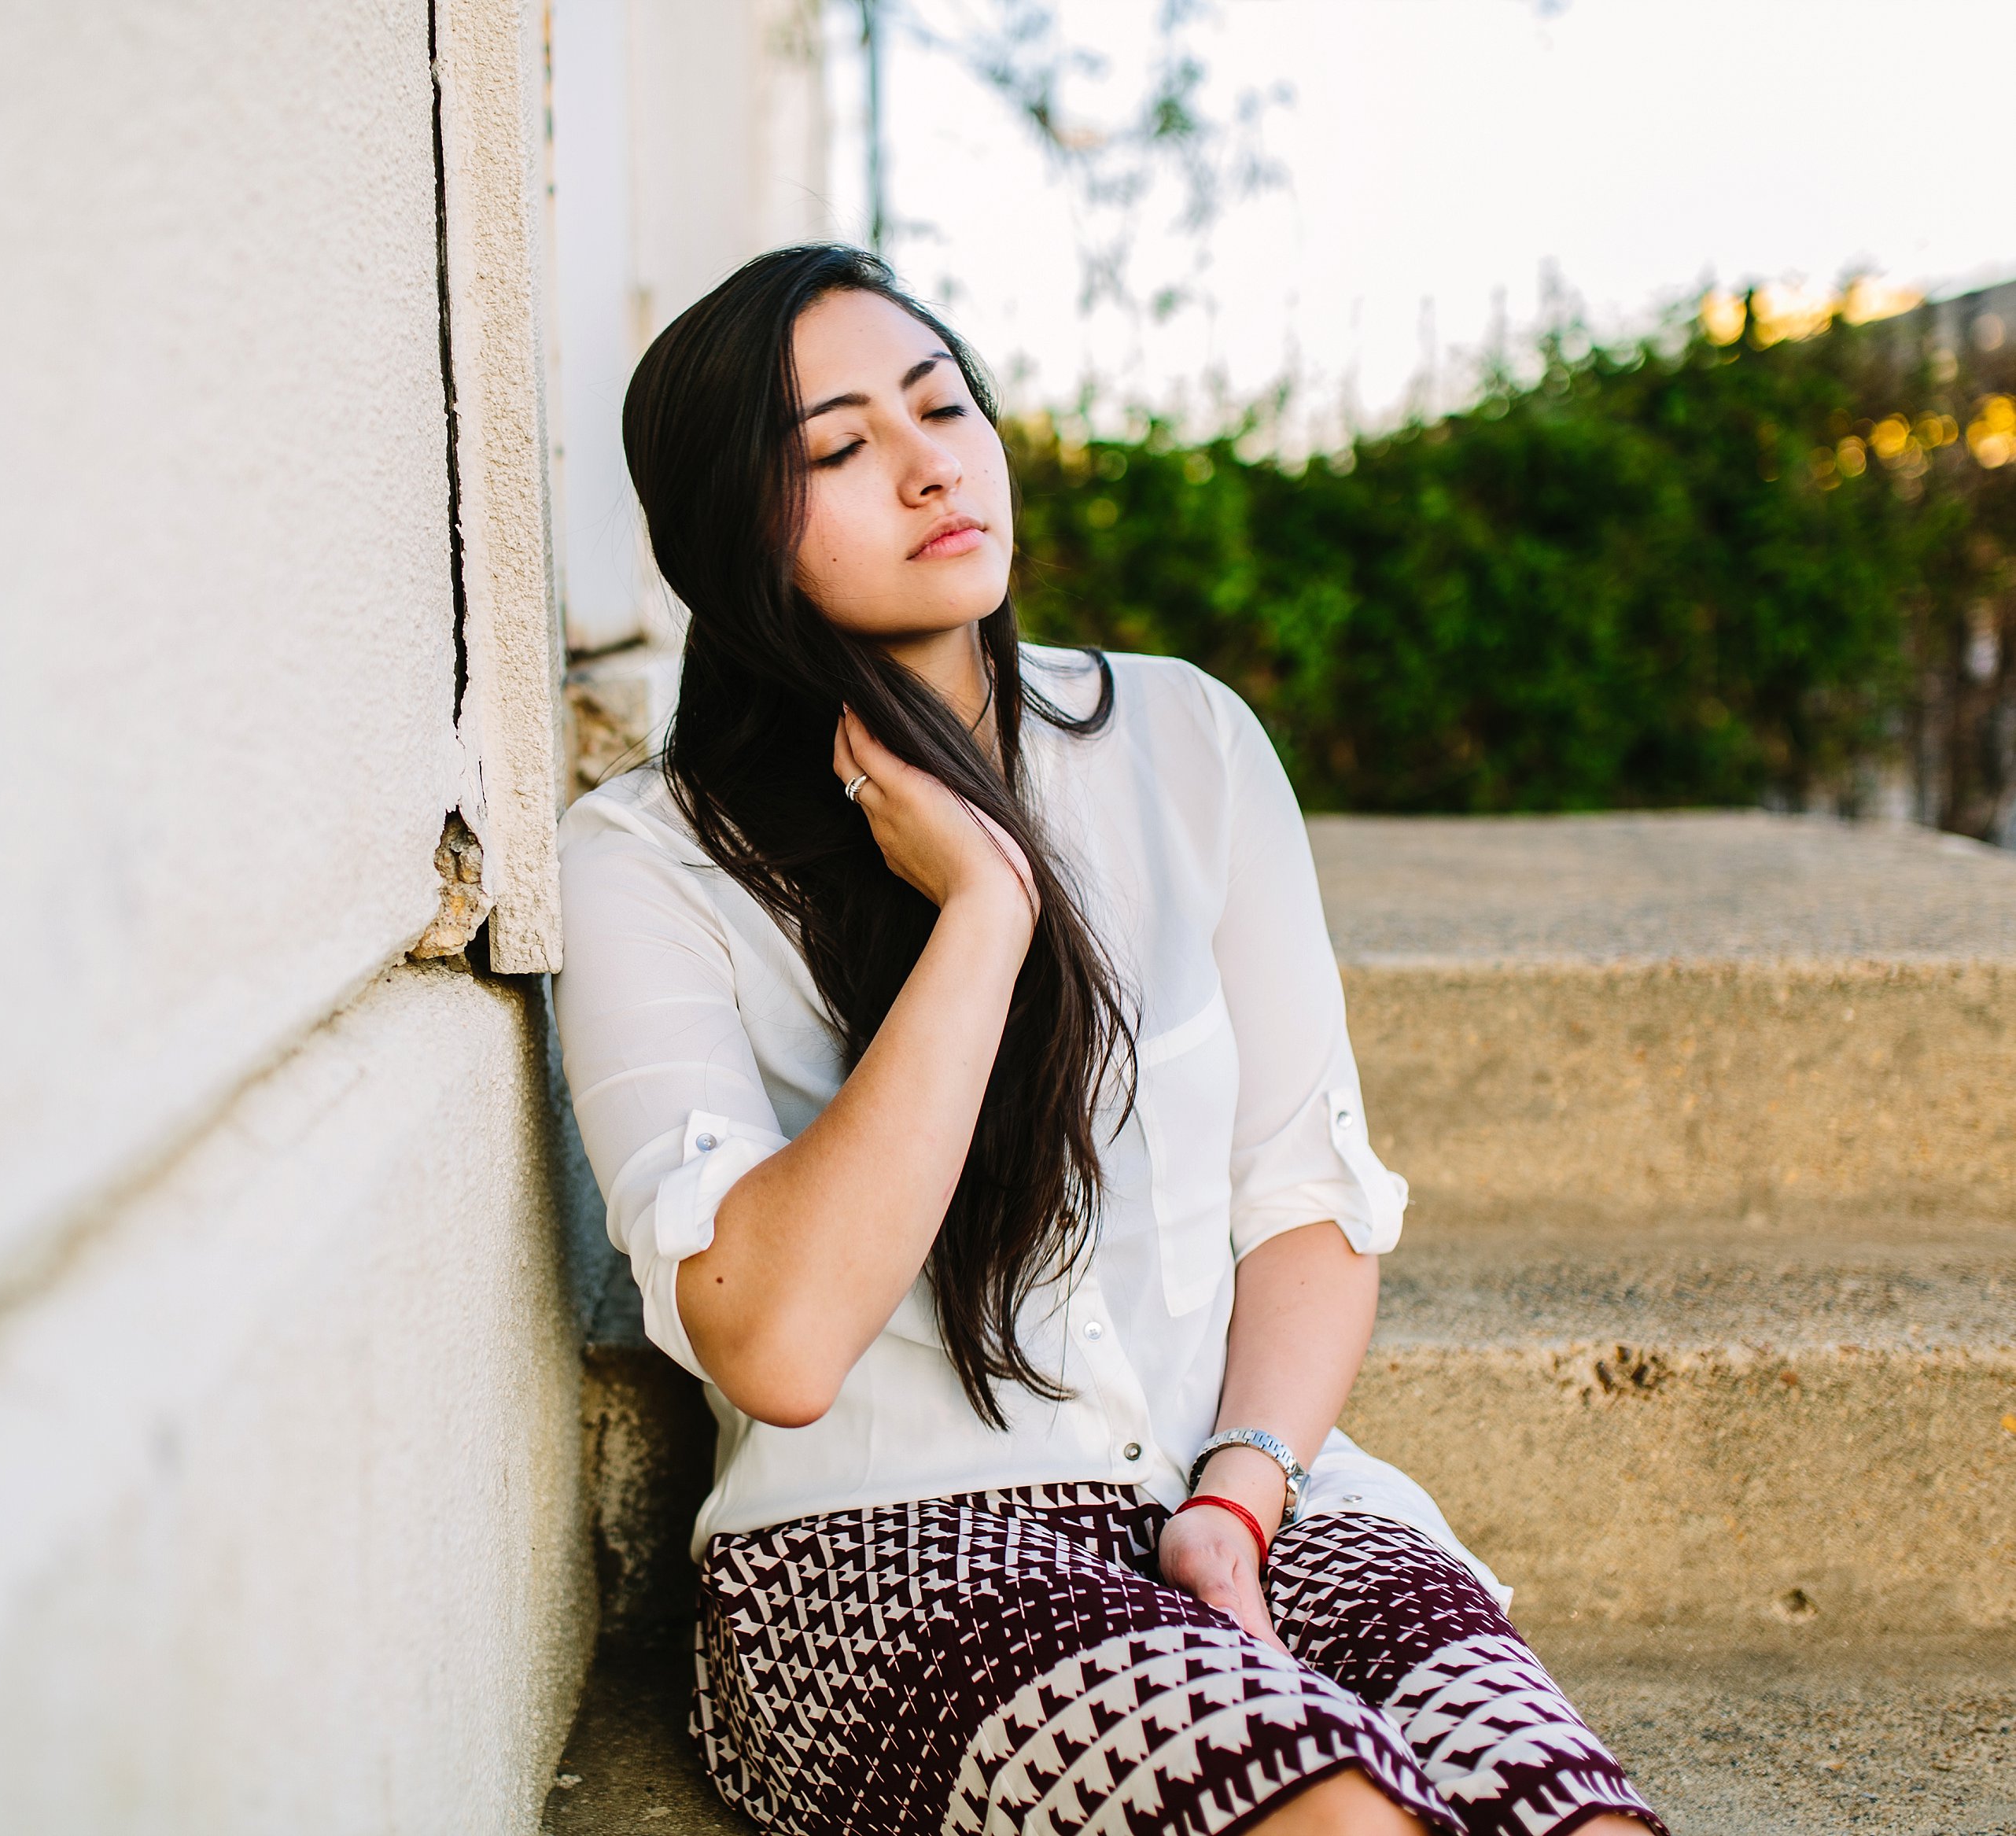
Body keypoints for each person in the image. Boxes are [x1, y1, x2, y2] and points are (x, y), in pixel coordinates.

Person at [552, 245, 1662, 1836]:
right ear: (734, 538)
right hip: (895, 1541)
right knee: (1334, 1819)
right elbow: (778, 1346)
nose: (929, 461)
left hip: (1248, 1494)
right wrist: (984, 915)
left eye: (942, 406)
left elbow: (1303, 1204)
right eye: (840, 449)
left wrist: (1239, 1492)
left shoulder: (1183, 739)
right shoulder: (649, 860)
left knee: (1575, 1822)